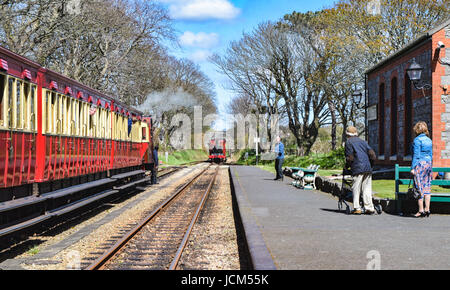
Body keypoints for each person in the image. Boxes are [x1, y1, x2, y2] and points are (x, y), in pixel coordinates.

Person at [344, 126, 377, 215]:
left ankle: (357, 208)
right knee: (367, 188)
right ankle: (369, 207)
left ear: (347, 134)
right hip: (367, 168)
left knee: (356, 188)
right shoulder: (363, 142)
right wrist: (371, 165)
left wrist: (347, 166)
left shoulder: (348, 142)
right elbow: (372, 155)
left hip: (357, 167)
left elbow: (350, 158)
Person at [410, 121, 433, 218]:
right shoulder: (429, 140)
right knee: (427, 187)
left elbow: (416, 155)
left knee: (418, 188)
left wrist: (413, 168)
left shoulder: (417, 140)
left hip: (420, 165)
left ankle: (421, 210)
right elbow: (431, 155)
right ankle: (427, 209)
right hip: (428, 164)